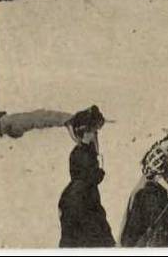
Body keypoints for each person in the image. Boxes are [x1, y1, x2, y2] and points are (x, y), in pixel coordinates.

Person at [120, 127, 168, 247]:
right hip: (146, 190)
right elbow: (155, 175)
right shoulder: (159, 152)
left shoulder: (163, 150)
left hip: (154, 190)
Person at [58, 106, 116, 247]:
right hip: (81, 200)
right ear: (85, 133)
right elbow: (91, 178)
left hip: (79, 196)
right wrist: (100, 170)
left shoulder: (83, 150)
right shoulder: (82, 154)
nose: (95, 133)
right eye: (92, 131)